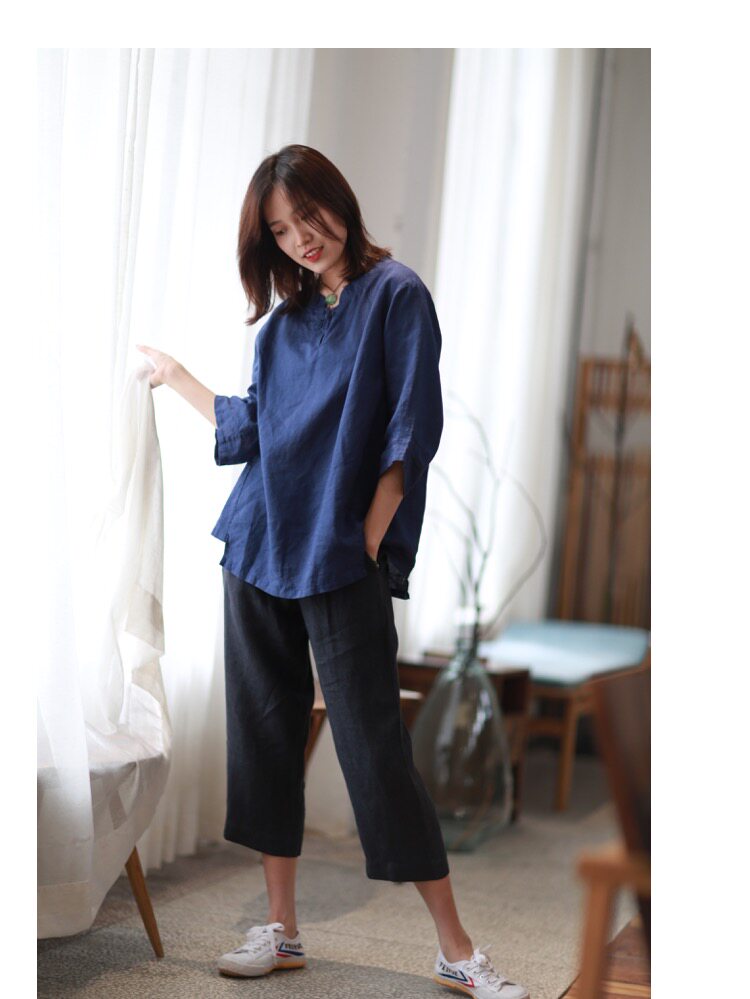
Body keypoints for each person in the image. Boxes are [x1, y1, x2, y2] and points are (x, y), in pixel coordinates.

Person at [137, 144, 529, 999]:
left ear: (337, 201)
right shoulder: (280, 328)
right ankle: (281, 929)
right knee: (265, 734)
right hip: (259, 545)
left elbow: (409, 429)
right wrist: (177, 377)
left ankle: (457, 948)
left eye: (307, 216)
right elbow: (254, 430)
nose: (301, 238)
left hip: (339, 555)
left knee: (375, 749)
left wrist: (368, 542)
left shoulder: (397, 296)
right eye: (281, 231)